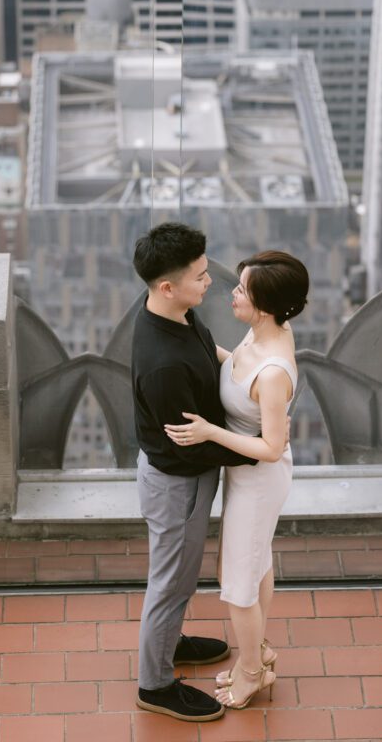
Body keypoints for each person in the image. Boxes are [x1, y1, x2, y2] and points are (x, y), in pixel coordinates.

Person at [165, 250, 309, 710]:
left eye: (242, 289)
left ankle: (251, 673)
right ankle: (259, 651)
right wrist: (197, 344)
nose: (233, 291)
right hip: (248, 478)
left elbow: (270, 447)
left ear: (264, 305)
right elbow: (235, 368)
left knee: (237, 581)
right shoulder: (266, 332)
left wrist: (209, 432)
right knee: (255, 563)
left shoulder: (272, 373)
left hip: (259, 478)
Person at [131, 222, 259, 723]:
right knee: (171, 585)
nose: (211, 283)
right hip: (177, 484)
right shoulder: (163, 363)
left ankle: (170, 644)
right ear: (167, 285)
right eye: (201, 276)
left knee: (175, 580)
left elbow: (208, 357)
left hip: (181, 476)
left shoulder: (171, 314)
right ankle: (155, 684)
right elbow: (183, 451)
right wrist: (252, 451)